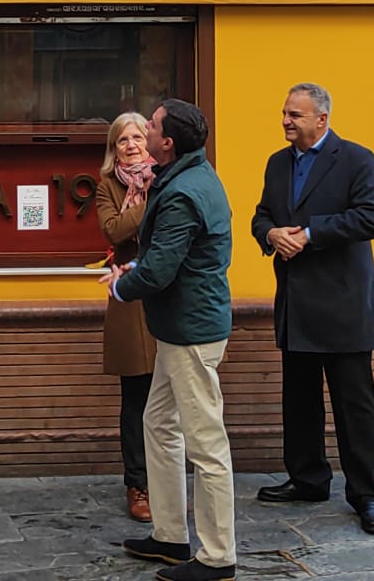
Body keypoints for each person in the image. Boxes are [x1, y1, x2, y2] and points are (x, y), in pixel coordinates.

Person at [250, 84, 374, 535]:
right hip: (296, 304)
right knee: (300, 401)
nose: (286, 121)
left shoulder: (356, 159)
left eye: (295, 115)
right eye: (284, 113)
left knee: (354, 408)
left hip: (344, 305)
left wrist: (309, 234)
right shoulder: (277, 163)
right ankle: (307, 479)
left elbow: (372, 218)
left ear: (321, 119)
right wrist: (271, 234)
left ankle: (367, 495)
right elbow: (261, 215)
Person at [106, 99, 236, 581]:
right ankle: (170, 536)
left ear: (168, 142)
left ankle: (218, 557)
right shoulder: (190, 175)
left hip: (190, 333)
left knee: (206, 444)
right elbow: (169, 253)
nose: (146, 127)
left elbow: (161, 268)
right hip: (177, 329)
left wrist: (122, 285)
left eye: (153, 125)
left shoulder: (183, 191)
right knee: (159, 423)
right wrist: (138, 267)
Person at [95, 111, 158, 523]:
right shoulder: (108, 186)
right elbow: (115, 231)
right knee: (135, 397)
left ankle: (166, 481)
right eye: (123, 140)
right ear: (113, 149)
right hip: (128, 297)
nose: (132, 145)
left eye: (138, 137)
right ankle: (138, 484)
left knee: (167, 398)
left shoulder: (168, 177)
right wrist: (150, 201)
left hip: (165, 294)